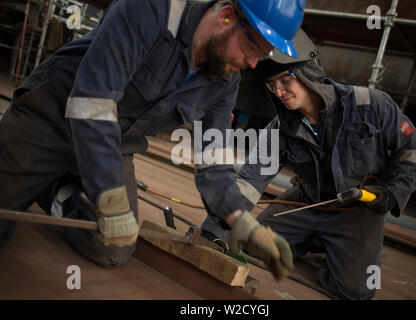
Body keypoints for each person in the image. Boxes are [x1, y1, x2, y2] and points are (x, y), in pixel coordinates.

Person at [0, 0, 305, 276]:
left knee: (112, 246)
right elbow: (91, 101)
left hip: (113, 143)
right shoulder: (150, 10)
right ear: (226, 16)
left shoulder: (225, 80)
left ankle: (55, 190)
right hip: (53, 118)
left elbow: (213, 159)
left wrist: (240, 221)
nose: (253, 64)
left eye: (262, 55)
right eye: (254, 50)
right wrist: (109, 195)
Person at [200, 30, 416, 298]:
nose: (279, 91)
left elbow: (412, 148)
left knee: (355, 291)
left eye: (285, 79)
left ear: (310, 71)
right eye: (272, 84)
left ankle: (332, 247)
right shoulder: (279, 129)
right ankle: (316, 239)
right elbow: (250, 182)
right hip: (306, 202)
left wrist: (393, 193)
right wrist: (214, 231)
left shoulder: (371, 105)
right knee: (251, 244)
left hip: (357, 210)